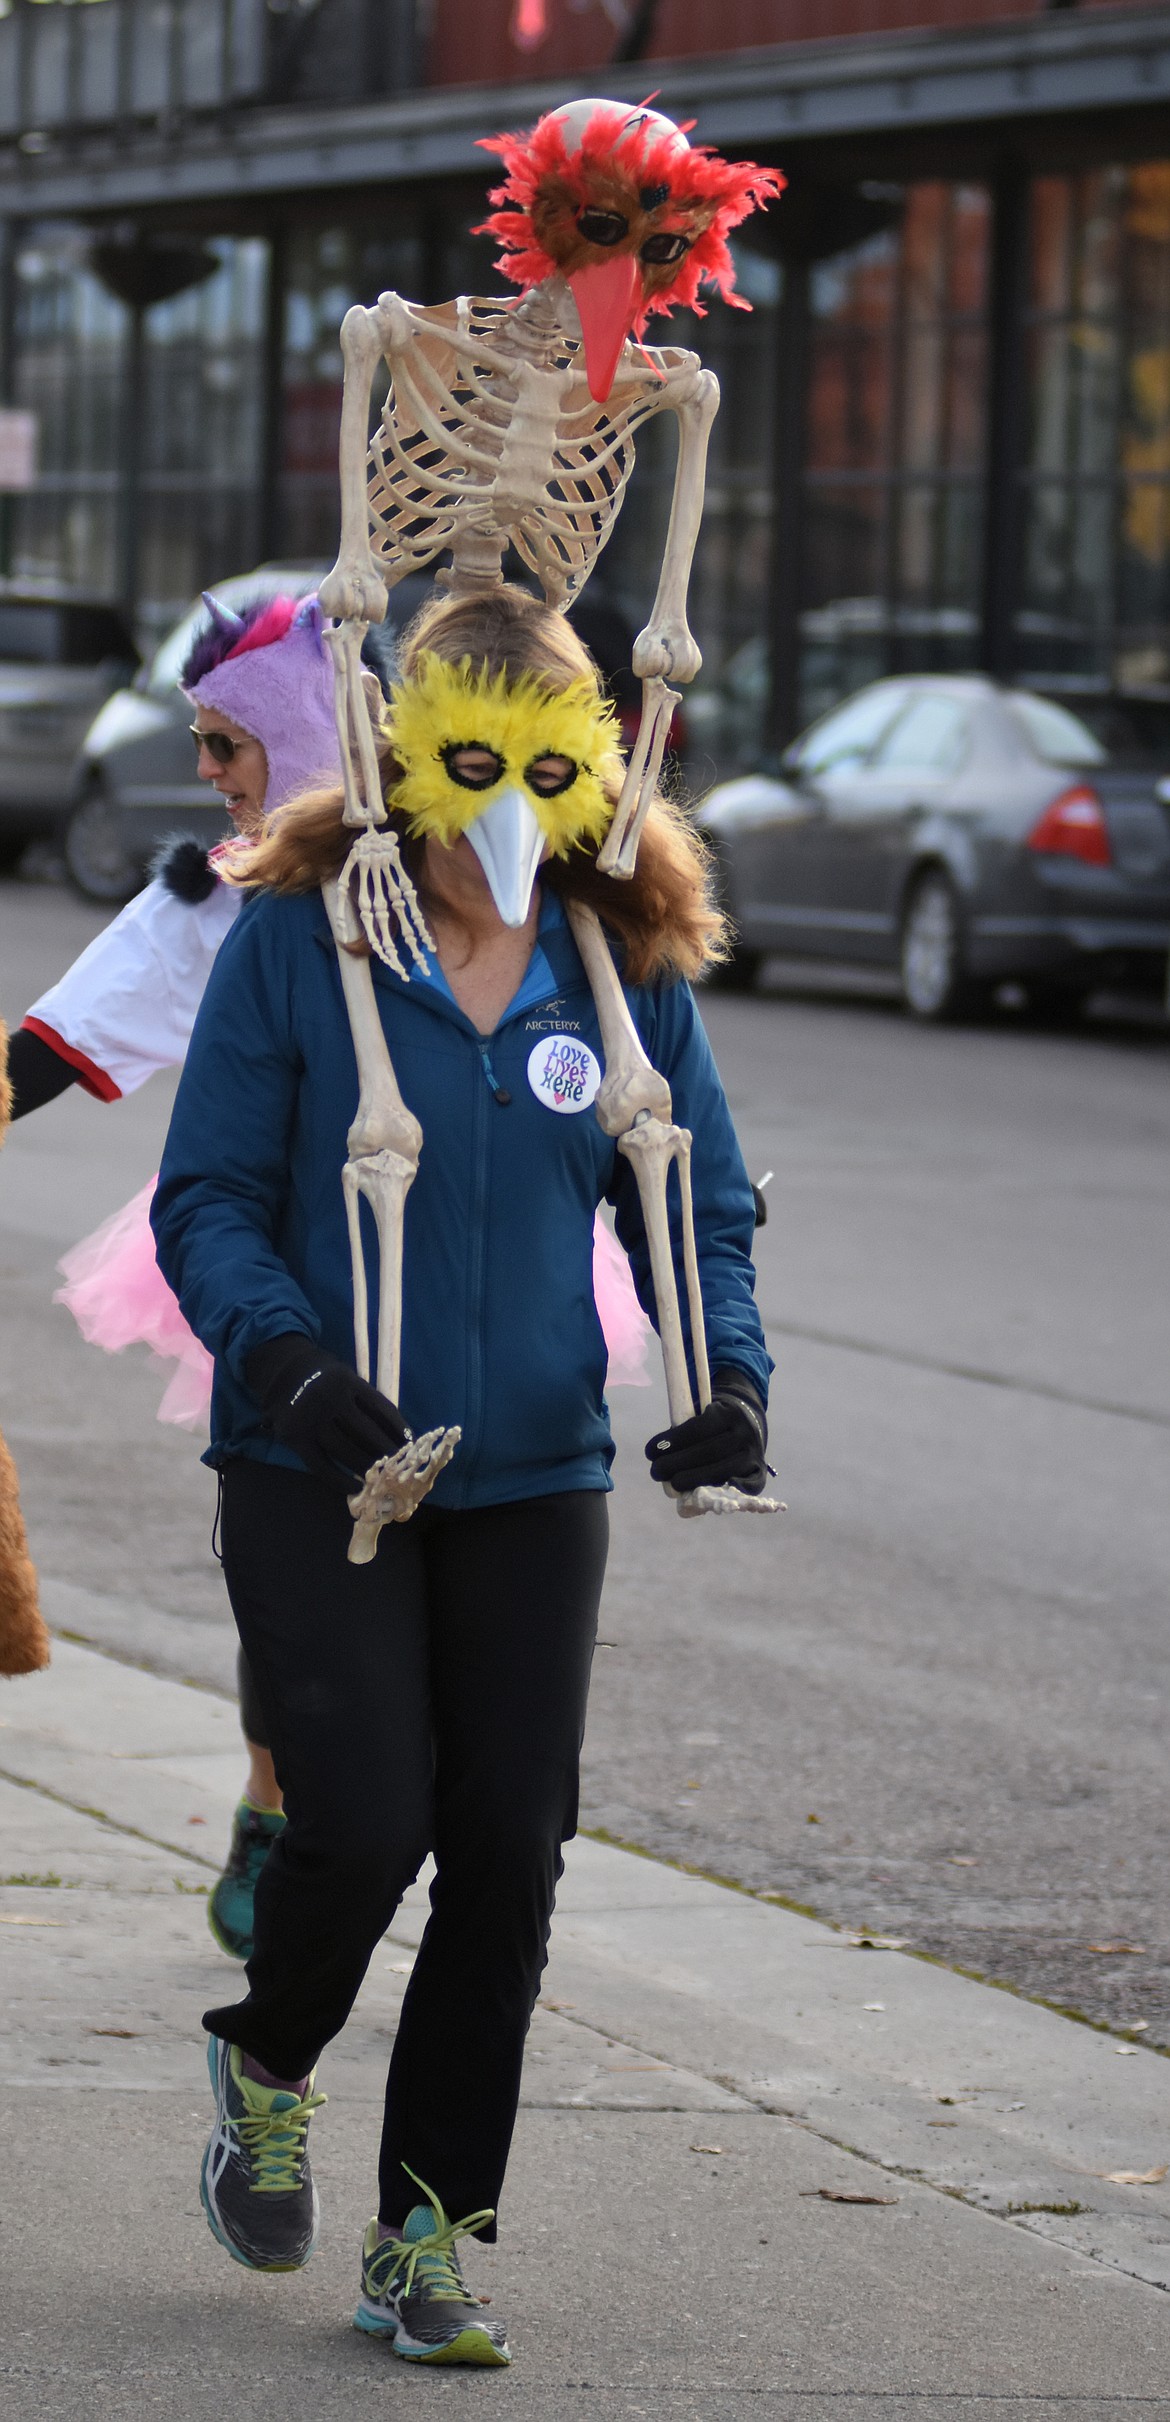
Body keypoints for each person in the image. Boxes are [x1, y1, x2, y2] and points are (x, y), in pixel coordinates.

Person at [152, 582, 771, 2368]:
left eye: (546, 758)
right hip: (317, 1461)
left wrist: (728, 1379)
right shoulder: (301, 936)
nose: (506, 791)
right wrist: (288, 1358)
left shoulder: (613, 956)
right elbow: (205, 1198)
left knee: (508, 1846)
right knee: (361, 1823)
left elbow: (692, 1197)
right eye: (469, 752)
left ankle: (426, 2236)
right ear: (401, 754)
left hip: (530, 1476)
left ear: (596, 764)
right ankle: (267, 2057)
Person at [6, 591, 346, 1955]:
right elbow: (49, 1047)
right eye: (201, 741)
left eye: (226, 741)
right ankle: (274, 1802)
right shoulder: (212, 900)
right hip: (254, 1265)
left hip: (452, 1255)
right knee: (285, 1548)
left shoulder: (462, 880)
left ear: (306, 734)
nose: (204, 771)